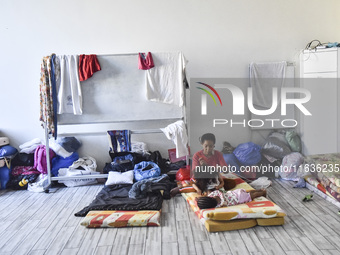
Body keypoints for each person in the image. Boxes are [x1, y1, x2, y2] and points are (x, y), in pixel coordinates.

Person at [170, 133, 235, 197]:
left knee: (229, 183)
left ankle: (208, 190)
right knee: (199, 187)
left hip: (213, 177)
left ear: (214, 146)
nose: (208, 149)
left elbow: (226, 171)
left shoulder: (218, 154)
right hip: (201, 178)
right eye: (206, 146)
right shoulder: (197, 155)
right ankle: (180, 189)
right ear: (202, 144)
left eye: (211, 146)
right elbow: (195, 174)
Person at [196, 188, 267, 209]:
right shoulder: (219, 204)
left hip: (237, 197)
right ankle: (261, 191)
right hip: (235, 194)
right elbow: (219, 192)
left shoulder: (218, 205)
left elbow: (219, 193)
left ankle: (261, 192)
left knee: (250, 195)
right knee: (251, 194)